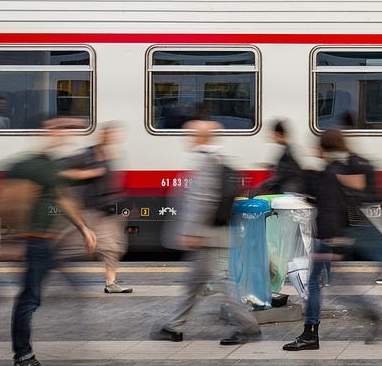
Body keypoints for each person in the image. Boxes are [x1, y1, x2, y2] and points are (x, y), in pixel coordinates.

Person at [151, 120, 261, 346]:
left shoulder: (207, 162)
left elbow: (203, 199)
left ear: (202, 137)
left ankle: (249, 327)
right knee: (193, 283)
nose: (189, 137)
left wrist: (192, 231)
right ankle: (174, 326)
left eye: (192, 133)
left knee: (224, 283)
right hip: (210, 234)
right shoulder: (216, 160)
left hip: (207, 235)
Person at [284, 129, 382, 351]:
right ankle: (371, 317)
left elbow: (330, 207)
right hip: (338, 234)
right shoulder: (342, 169)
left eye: (317, 146)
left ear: (324, 148)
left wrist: (327, 239)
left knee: (316, 284)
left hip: (327, 236)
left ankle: (310, 334)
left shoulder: (329, 173)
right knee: (334, 286)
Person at [10, 118, 98, 366]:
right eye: (60, 129)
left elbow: (61, 198)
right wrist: (18, 238)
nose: (66, 134)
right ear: (46, 131)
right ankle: (23, 356)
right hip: (35, 241)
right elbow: (16, 200)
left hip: (45, 243)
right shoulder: (31, 165)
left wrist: (83, 228)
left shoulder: (48, 166)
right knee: (29, 299)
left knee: (31, 296)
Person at [54, 123, 133, 293]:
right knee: (76, 245)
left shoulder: (112, 156)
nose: (112, 138)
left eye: (114, 135)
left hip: (110, 210)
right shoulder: (87, 155)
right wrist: (84, 174)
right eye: (109, 134)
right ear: (102, 135)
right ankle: (49, 262)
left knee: (113, 247)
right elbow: (58, 170)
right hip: (91, 209)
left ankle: (111, 284)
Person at [254, 119, 303, 195]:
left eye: (274, 135)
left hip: (288, 191)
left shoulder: (286, 154)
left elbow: (279, 176)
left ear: (279, 134)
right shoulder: (288, 149)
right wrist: (270, 166)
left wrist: (260, 187)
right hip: (291, 190)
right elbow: (286, 169)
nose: (272, 137)